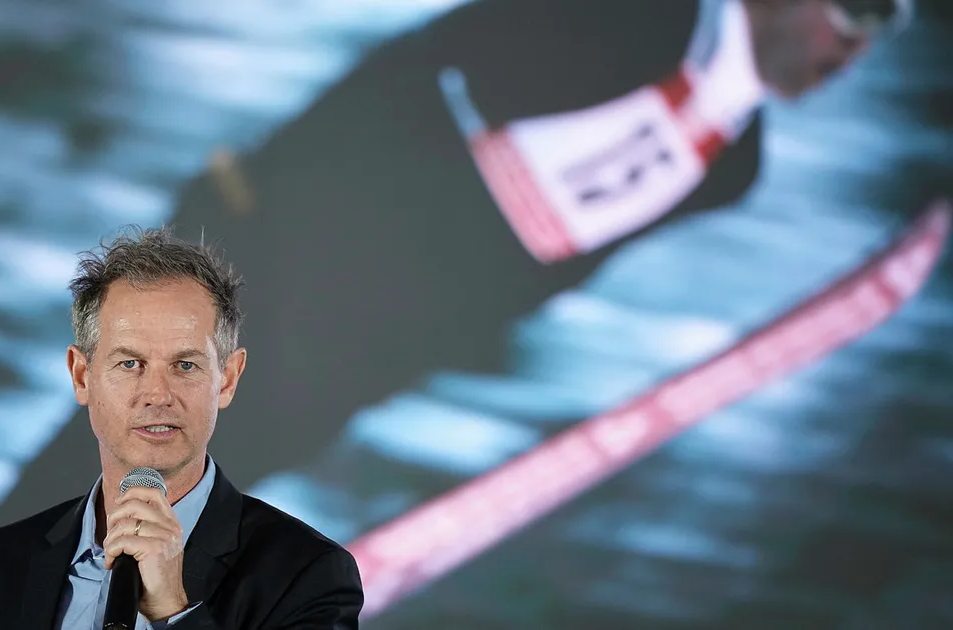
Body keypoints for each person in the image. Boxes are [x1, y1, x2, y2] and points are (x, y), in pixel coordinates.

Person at [167, 0, 913, 485]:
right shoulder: (646, 15)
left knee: (213, 504)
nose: (856, 47)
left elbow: (558, 252)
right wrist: (251, 211)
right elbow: (429, 65)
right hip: (282, 256)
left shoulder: (733, 166)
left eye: (883, 28)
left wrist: (437, 340)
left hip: (371, 347)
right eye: (858, 11)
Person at [0, 227, 364, 629]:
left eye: (186, 365)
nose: (158, 395)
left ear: (227, 379)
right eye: (130, 363)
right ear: (81, 376)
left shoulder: (308, 575)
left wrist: (172, 612)